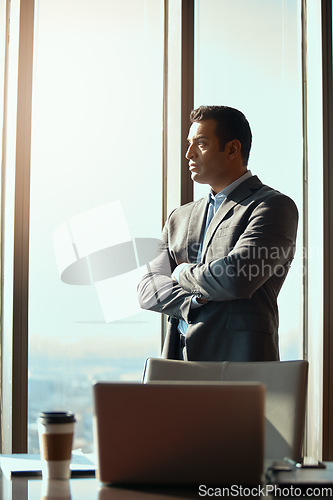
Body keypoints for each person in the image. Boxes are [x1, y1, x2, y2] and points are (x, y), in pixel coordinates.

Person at [137, 105, 298, 362]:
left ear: (233, 149)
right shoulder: (178, 217)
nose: (189, 154)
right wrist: (193, 301)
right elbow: (148, 289)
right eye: (189, 144)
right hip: (177, 363)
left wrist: (179, 272)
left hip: (240, 361)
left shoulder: (272, 206)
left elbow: (236, 277)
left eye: (200, 144)